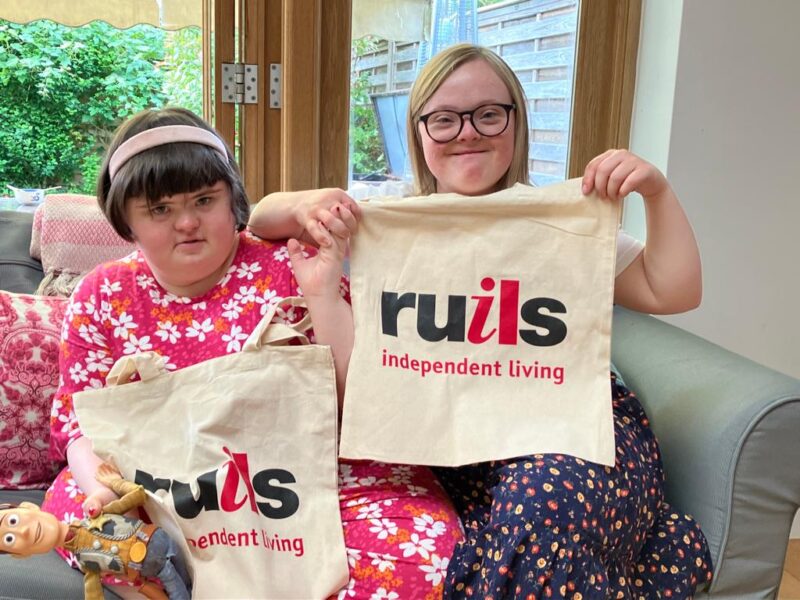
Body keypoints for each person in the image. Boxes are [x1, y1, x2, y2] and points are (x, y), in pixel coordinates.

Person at [248, 43, 714, 598]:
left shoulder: (557, 222)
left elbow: (675, 289)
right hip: (451, 442)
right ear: (420, 133)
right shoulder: (387, 221)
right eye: (443, 120)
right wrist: (310, 204)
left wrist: (656, 191)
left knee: (545, 507)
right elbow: (259, 217)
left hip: (567, 429)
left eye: (489, 114)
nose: (467, 132)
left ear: (515, 121)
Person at [42, 107, 463, 599]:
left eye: (204, 199)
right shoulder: (101, 295)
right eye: (159, 209)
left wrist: (323, 294)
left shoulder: (291, 262)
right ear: (126, 223)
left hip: (316, 481)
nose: (186, 222)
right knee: (77, 513)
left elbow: (364, 399)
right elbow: (80, 423)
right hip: (172, 496)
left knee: (422, 552)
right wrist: (100, 491)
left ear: (233, 201)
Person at [2, 463, 190, 600]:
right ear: (21, 555)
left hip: (150, 525)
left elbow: (134, 495)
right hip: (144, 565)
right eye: (9, 539)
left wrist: (109, 487)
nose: (23, 531)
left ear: (28, 507)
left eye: (13, 521)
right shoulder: (81, 559)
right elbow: (104, 586)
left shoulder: (67, 497)